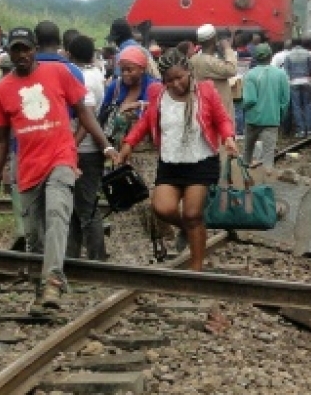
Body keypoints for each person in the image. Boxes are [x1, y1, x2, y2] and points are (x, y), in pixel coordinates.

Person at [0, 27, 117, 314]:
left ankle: (53, 281)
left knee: (57, 214)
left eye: (26, 48)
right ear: (9, 53)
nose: (22, 55)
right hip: (28, 168)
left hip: (61, 158)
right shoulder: (1, 90)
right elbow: (1, 141)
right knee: (34, 236)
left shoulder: (58, 73)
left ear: (35, 48)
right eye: (16, 50)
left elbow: (84, 112)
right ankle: (42, 292)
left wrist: (105, 146)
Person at [117, 48, 238, 271]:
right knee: (162, 208)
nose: (175, 84)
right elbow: (145, 122)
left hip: (201, 161)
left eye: (179, 77)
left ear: (189, 72)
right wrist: (128, 144)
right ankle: (191, 229)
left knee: (193, 213)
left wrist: (229, 138)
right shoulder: (157, 94)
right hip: (171, 162)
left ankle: (196, 269)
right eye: (169, 80)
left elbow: (222, 119)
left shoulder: (206, 92)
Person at [67, 35, 107, 261]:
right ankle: (73, 256)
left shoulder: (79, 77)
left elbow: (86, 115)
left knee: (86, 208)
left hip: (82, 148)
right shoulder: (97, 75)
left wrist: (72, 144)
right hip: (92, 148)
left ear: (70, 54)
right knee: (79, 206)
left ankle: (96, 258)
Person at [242, 43, 290, 170]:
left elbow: (249, 99)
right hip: (272, 119)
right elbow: (285, 100)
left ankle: (244, 177)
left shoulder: (250, 75)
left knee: (247, 151)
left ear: (256, 58)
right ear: (270, 56)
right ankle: (267, 180)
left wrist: (244, 108)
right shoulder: (281, 74)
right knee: (269, 154)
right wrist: (280, 115)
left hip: (252, 119)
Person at [190, 23, 238, 124]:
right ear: (214, 39)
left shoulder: (193, 59)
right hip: (219, 115)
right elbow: (232, 69)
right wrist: (227, 48)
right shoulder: (209, 62)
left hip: (203, 110)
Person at [283, 39, 311, 138]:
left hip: (294, 83)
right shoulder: (308, 54)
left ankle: (301, 130)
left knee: (297, 107)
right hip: (307, 82)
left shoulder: (289, 55)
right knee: (308, 105)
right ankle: (310, 129)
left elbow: (286, 71)